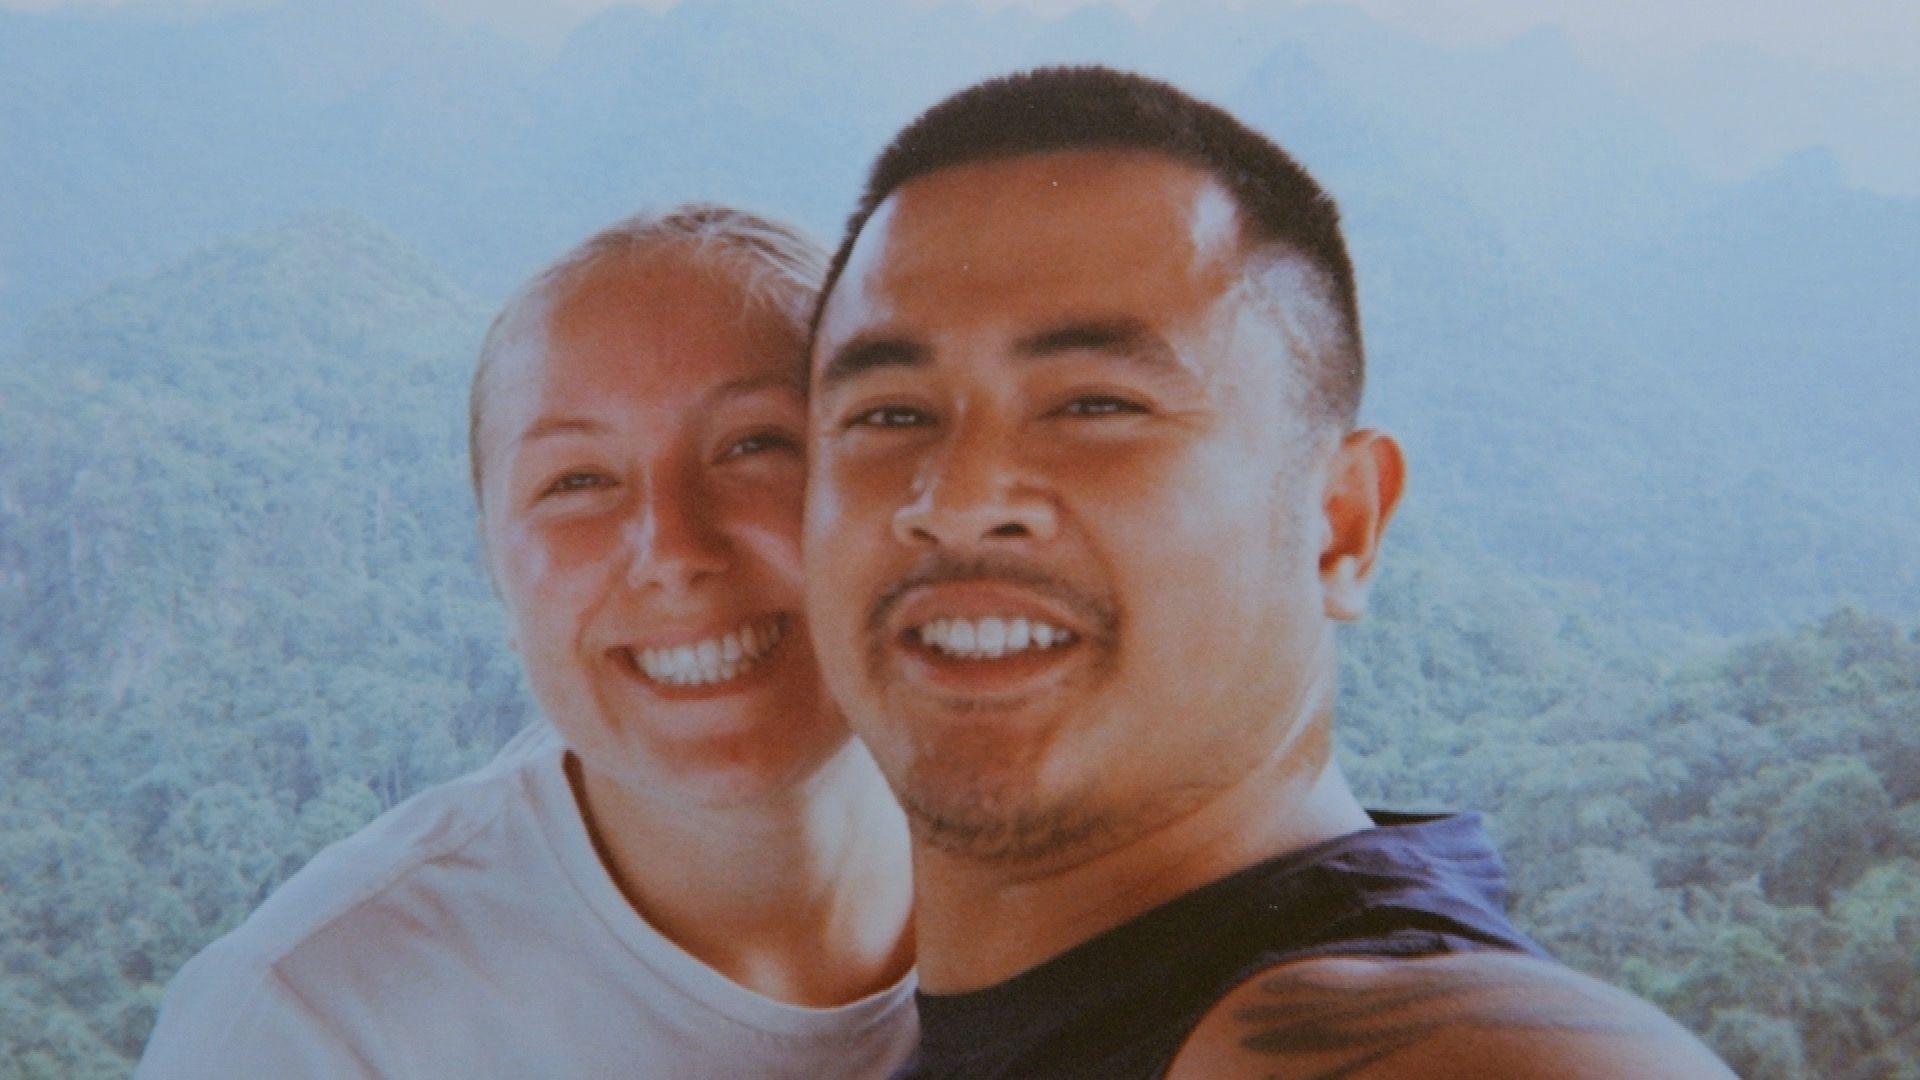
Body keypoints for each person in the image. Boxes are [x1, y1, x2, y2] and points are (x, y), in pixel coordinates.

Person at [801, 67, 1734, 1079]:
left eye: (1095, 405)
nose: (958, 496)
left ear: (1342, 526)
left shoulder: (1444, 1050)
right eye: (888, 414)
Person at [138, 205, 917, 1078]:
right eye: (579, 481)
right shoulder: (312, 1021)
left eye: (755, 445)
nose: (674, 552)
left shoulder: (1059, 852)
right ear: (495, 573)